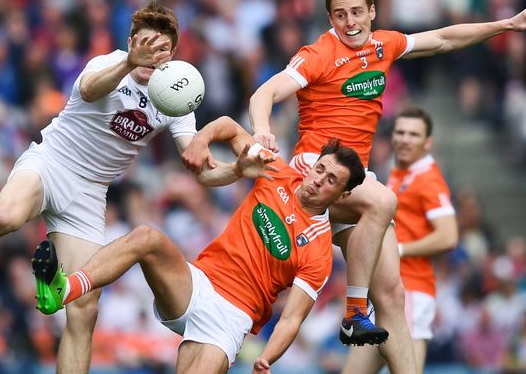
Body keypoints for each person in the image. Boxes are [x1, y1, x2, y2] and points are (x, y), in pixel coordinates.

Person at [184, 0, 526, 372]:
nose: (350, 22)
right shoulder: (318, 53)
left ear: (372, 12)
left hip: (356, 184)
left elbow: (443, 39)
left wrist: (504, 25)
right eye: (340, 15)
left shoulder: (383, 45)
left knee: (391, 294)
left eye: (357, 12)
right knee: (384, 199)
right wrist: (264, 128)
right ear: (329, 18)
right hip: (315, 172)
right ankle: (355, 313)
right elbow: (262, 94)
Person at [0, 1, 199, 373]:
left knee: (84, 309)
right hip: (52, 162)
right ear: (131, 42)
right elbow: (92, 88)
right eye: (144, 44)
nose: (151, 55)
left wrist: (237, 166)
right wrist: (130, 62)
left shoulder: (177, 95)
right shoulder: (107, 64)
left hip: (90, 193)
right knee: (6, 216)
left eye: (161, 49)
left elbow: (196, 162)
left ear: (172, 53)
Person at [32, 116, 366, 373]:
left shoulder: (320, 249)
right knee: (146, 237)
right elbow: (231, 128)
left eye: (331, 180)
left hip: (231, 319)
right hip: (197, 284)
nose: (318, 180)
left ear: (343, 195)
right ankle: (64, 290)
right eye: (319, 169)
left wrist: (266, 358)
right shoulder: (275, 172)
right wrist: (201, 140)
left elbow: (292, 319)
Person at [344, 107, 458, 374]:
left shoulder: (428, 179)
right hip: (389, 292)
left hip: (412, 291)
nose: (405, 139)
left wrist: (400, 249)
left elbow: (448, 235)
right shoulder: (399, 174)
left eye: (414, 134)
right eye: (401, 132)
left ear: (427, 143)